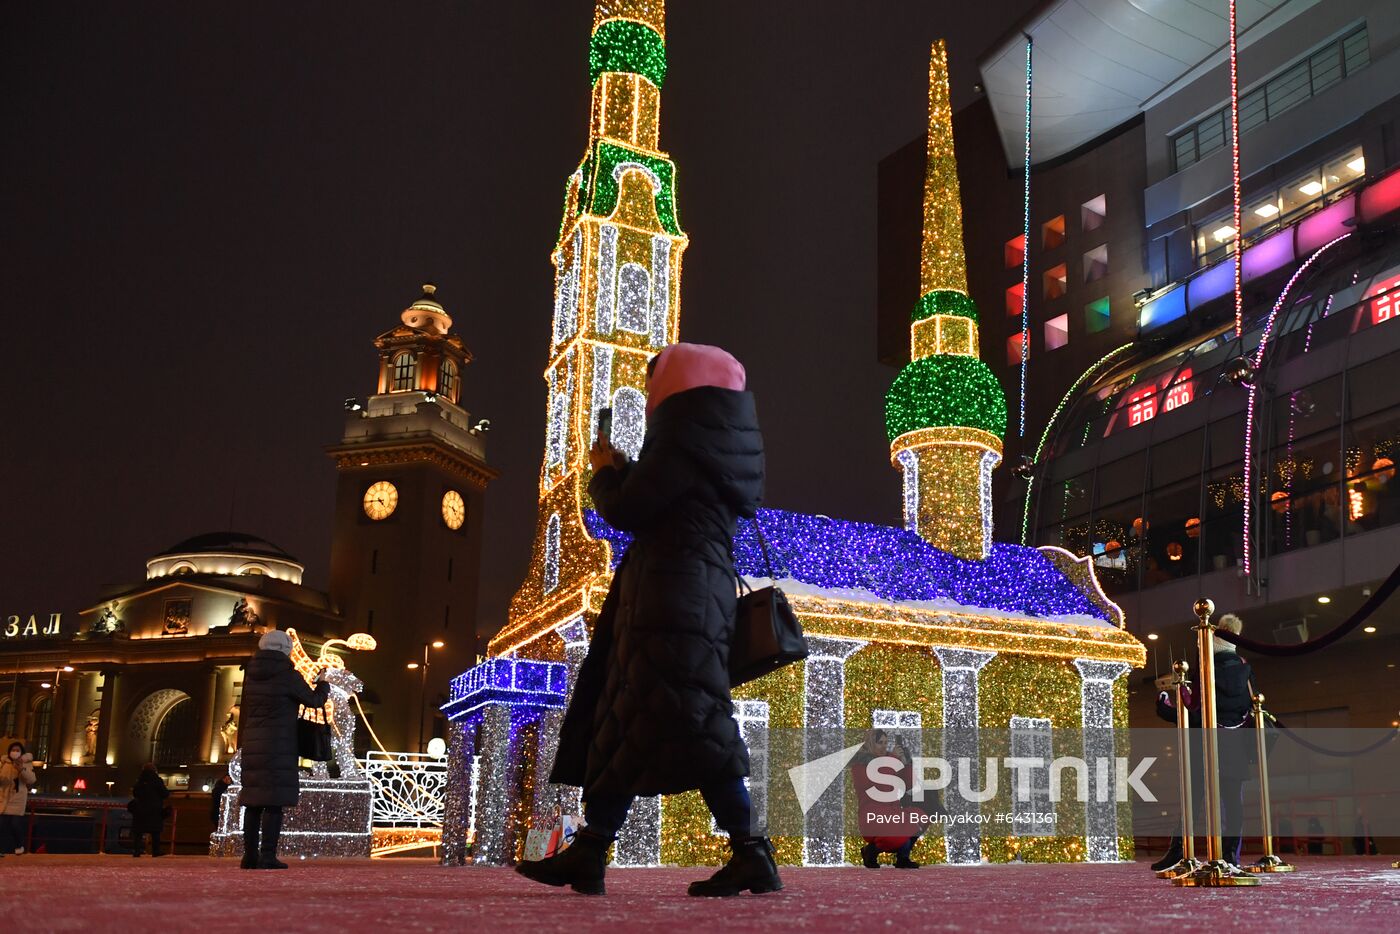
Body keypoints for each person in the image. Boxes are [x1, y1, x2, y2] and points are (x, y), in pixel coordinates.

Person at [516, 343, 771, 898]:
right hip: (686, 595)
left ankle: (751, 852)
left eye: (655, 381)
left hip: (671, 598)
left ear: (675, 388)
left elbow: (631, 509)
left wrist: (606, 476)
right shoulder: (713, 436)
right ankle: (592, 850)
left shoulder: (682, 434)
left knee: (693, 721)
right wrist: (630, 471)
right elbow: (670, 500)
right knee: (627, 716)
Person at [1152, 612, 1255, 870]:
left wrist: (1164, 705)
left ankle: (1180, 851)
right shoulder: (1246, 670)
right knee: (1233, 803)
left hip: (1206, 745)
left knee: (1193, 798)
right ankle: (1232, 856)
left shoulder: (1207, 670)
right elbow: (1250, 707)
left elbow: (1195, 713)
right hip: (1236, 746)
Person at [238, 628, 329, 869]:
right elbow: (314, 701)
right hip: (280, 744)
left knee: (254, 802)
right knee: (273, 803)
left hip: (253, 743)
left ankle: (249, 856)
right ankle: (267, 856)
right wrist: (323, 684)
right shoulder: (288, 675)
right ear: (285, 649)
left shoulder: (252, 673)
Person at [852, 730, 926, 869]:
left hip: (893, 811)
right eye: (880, 743)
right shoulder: (860, 764)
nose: (884, 746)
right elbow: (879, 781)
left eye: (886, 743)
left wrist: (907, 763)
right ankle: (872, 851)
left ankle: (902, 857)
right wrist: (893, 759)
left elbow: (908, 784)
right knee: (895, 833)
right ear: (870, 743)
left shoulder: (889, 761)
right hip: (873, 816)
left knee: (920, 818)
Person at [0, 741, 37, 856]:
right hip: (4, 798)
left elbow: (31, 780)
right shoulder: (3, 763)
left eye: (17, 750)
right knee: (1, 826)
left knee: (15, 824)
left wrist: (21, 769)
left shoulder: (26, 763)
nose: (15, 752)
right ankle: (1, 849)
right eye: (13, 750)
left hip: (18, 799)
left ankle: (19, 845)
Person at [129, 762, 169, 856]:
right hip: (154, 809)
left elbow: (135, 793)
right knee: (155, 831)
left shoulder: (139, 780)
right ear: (154, 770)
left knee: (138, 831)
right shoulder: (157, 780)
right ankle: (155, 851)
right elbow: (165, 793)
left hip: (140, 809)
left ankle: (137, 851)